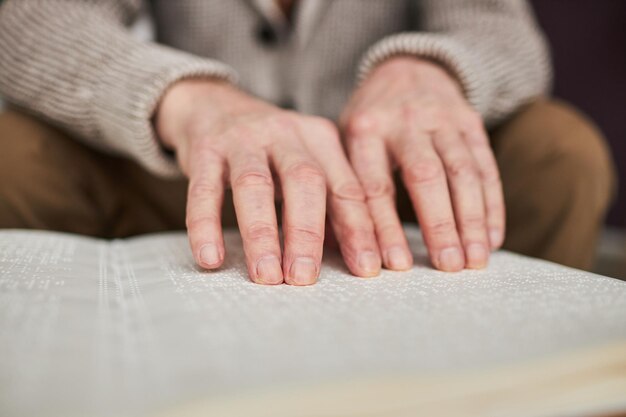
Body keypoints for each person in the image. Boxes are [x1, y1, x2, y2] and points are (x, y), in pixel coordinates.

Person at [0, 0, 615, 285]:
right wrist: (187, 100)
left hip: (389, 192)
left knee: (560, 149)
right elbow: (30, 20)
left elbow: (501, 27)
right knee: (11, 155)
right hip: (186, 182)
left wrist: (431, 71)